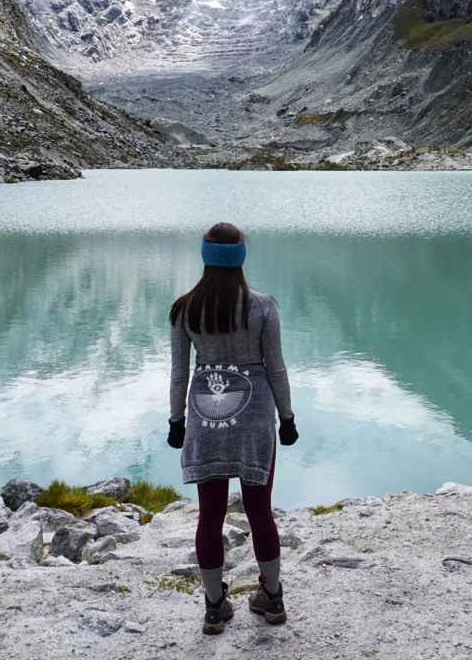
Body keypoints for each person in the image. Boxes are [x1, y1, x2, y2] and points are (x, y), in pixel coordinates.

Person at [167, 222, 298, 635]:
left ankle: (213, 606)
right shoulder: (263, 306)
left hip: (206, 421)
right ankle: (272, 597)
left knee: (210, 514)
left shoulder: (184, 309)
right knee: (260, 511)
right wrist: (288, 417)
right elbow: (275, 367)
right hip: (256, 419)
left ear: (205, 256)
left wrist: (176, 421)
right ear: (241, 256)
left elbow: (178, 374)